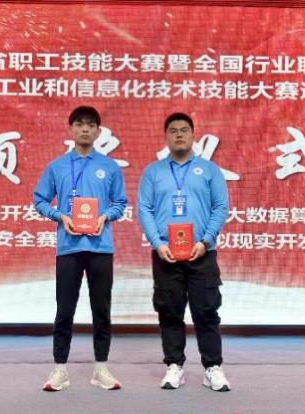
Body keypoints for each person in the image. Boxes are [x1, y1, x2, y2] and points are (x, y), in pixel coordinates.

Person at [34, 105, 127, 391]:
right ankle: (60, 369)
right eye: (79, 124)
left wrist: (104, 217)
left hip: (100, 247)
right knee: (65, 310)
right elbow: (39, 200)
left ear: (98, 131)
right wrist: (59, 216)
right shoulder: (57, 166)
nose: (85, 129)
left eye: (90, 125)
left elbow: (120, 203)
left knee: (102, 310)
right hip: (68, 247)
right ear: (71, 129)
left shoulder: (109, 167)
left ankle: (101, 368)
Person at [137, 112, 231, 392]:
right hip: (166, 254)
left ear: (193, 135)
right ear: (166, 137)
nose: (179, 134)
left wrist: (206, 240)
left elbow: (220, 207)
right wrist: (157, 243)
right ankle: (174, 365)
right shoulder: (153, 172)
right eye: (173, 130)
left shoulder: (209, 170)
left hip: (203, 253)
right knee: (169, 312)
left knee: (207, 311)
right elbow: (144, 209)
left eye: (184, 130)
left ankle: (212, 368)